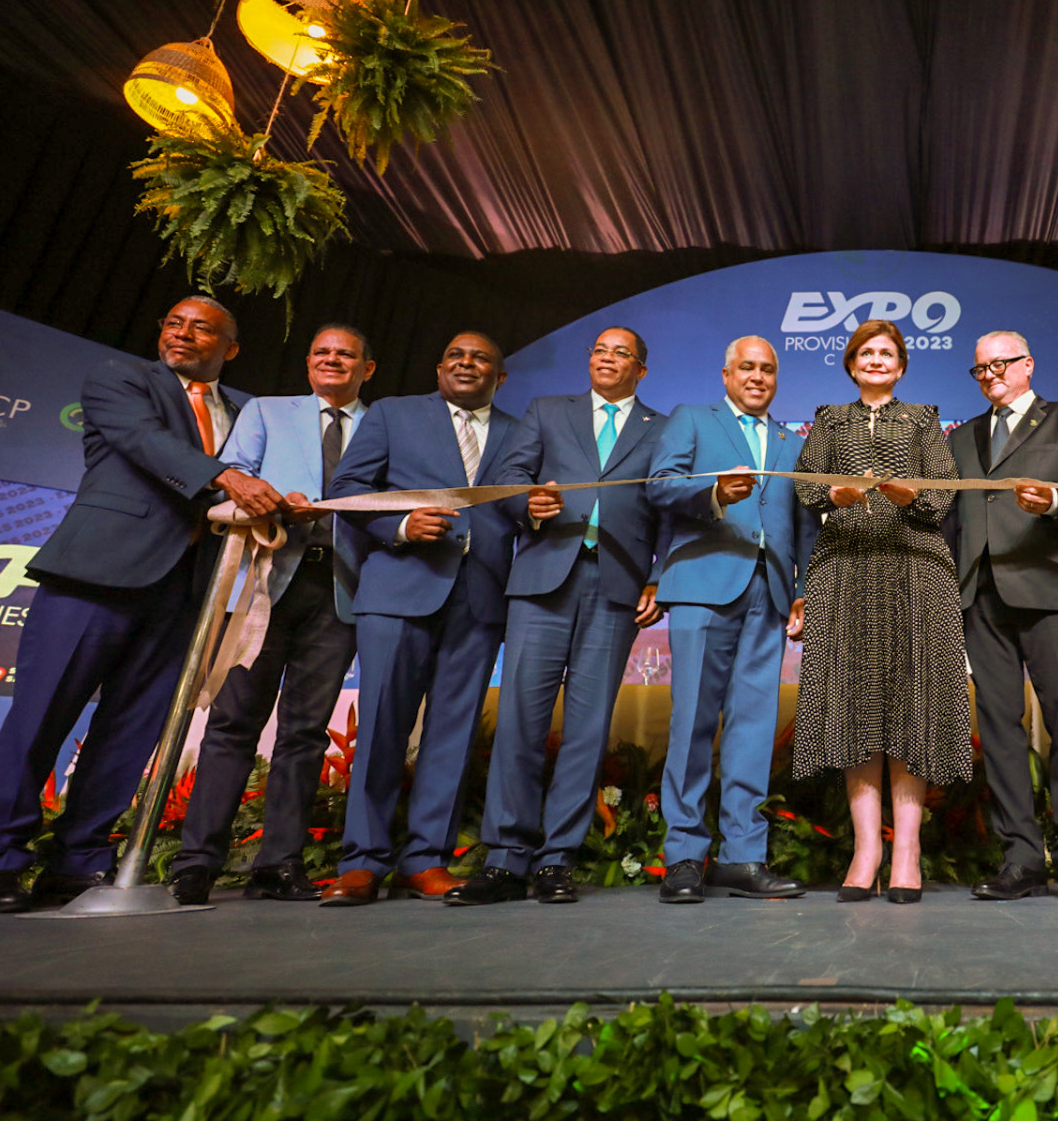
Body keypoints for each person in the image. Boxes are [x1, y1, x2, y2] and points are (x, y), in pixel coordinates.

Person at [0, 296, 284, 914]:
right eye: (173, 323)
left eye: (201, 328)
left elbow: (259, 481)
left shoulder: (245, 414)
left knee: (131, 732)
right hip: (94, 575)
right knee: (39, 720)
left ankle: (77, 863)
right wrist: (227, 477)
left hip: (187, 591)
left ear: (231, 348)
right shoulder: (121, 380)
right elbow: (144, 441)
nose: (183, 334)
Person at [450, 327, 669, 906]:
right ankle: (504, 859)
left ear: (641, 370)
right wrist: (528, 503)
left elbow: (669, 509)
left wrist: (659, 577)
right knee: (520, 719)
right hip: (543, 579)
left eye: (622, 353)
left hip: (618, 584)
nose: (607, 358)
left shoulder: (662, 427)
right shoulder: (548, 411)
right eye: (600, 350)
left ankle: (557, 860)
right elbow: (509, 481)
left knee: (588, 728)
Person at [170, 324, 377, 906]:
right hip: (262, 582)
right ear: (308, 363)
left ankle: (279, 865)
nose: (331, 360)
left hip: (340, 590)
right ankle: (197, 864)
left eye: (345, 354)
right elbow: (224, 486)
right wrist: (266, 500)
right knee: (232, 723)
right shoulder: (265, 410)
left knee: (305, 733)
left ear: (367, 368)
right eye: (321, 352)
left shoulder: (384, 425)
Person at [319, 332, 519, 906]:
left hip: (480, 598)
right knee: (381, 725)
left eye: (480, 357)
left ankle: (426, 860)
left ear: (500, 377)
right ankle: (362, 861)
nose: (466, 363)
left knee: (453, 735)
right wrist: (401, 526)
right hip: (398, 591)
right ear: (438, 368)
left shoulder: (520, 431)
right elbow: (347, 490)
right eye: (455, 355)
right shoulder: (392, 414)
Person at [791, 319, 971, 905]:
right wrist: (833, 494)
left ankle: (908, 851)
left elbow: (944, 493)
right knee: (855, 707)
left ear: (901, 365)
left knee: (912, 707)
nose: (875, 360)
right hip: (845, 567)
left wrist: (910, 496)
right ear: (850, 363)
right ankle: (866, 851)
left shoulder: (923, 418)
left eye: (886, 353)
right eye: (865, 352)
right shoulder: (829, 419)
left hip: (915, 568)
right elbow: (805, 487)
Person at [646, 336, 815, 903]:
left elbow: (803, 524)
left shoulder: (792, 443)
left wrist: (802, 591)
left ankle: (743, 856)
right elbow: (659, 484)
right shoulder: (693, 420)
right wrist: (713, 491)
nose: (758, 377)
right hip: (703, 586)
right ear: (726, 375)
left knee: (753, 728)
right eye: (747, 367)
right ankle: (684, 856)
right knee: (692, 722)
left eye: (767, 369)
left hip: (770, 592)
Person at [950, 330, 1058, 905]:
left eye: (1002, 363)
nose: (991, 374)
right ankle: (1020, 857)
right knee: (998, 728)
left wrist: (1055, 500)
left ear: (1028, 364)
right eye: (980, 368)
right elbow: (951, 517)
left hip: (1050, 589)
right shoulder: (961, 437)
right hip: (980, 595)